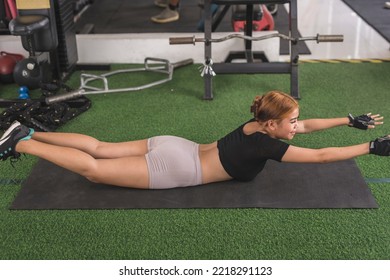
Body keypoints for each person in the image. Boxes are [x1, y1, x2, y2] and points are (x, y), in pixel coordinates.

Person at [1, 91, 389, 189]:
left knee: (99, 146)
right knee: (96, 171)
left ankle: (30, 132)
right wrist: (371, 147)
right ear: (272, 125)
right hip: (179, 165)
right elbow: (321, 156)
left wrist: (347, 121)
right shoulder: (269, 144)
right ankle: (20, 142)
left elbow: (308, 129)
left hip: (176, 144)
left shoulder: (258, 123)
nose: (296, 126)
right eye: (291, 122)